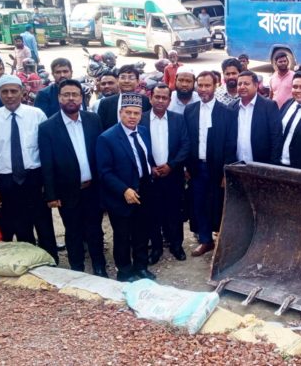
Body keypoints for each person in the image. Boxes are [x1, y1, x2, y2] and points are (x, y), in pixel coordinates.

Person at [0, 75, 58, 263]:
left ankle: (51, 261)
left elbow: (48, 150)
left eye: (14, 91)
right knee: (21, 226)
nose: (9, 95)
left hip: (35, 178)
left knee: (44, 223)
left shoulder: (36, 114)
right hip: (8, 181)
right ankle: (30, 264)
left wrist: (50, 183)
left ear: (22, 92)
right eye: (5, 92)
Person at [39, 79, 106, 277]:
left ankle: (99, 267)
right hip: (67, 190)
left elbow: (101, 153)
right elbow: (47, 163)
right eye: (66, 94)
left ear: (81, 97)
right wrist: (51, 194)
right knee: (73, 230)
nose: (71, 98)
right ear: (59, 98)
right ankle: (77, 270)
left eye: (75, 94)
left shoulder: (93, 120)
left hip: (92, 188)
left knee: (95, 229)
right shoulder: (48, 127)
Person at [96, 93, 156, 282]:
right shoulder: (107, 138)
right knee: (122, 235)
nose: (132, 117)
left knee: (142, 231)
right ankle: (124, 271)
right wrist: (124, 190)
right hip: (121, 194)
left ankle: (141, 267)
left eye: (136, 113)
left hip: (144, 189)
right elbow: (104, 172)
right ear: (120, 113)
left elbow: (145, 158)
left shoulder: (143, 131)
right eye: (128, 112)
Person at [184, 71, 237, 257]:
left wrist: (226, 171)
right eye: (200, 85)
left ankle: (222, 242)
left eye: (208, 85)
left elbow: (230, 143)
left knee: (219, 205)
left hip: (218, 168)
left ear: (215, 86)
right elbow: (187, 140)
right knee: (199, 204)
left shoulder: (227, 112)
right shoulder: (190, 110)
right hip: (196, 167)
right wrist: (186, 166)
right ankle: (206, 240)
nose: (203, 89)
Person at [140, 84, 190, 263]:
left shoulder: (178, 119)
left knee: (174, 212)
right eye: (157, 97)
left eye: (164, 98)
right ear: (150, 98)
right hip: (150, 176)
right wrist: (150, 167)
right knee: (153, 213)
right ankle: (156, 248)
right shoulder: (141, 119)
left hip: (173, 175)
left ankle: (177, 245)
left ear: (169, 100)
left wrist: (171, 165)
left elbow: (185, 145)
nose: (160, 101)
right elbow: (136, 148)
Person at [230, 71, 283, 165]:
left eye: (246, 84)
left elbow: (276, 138)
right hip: (236, 165)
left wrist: (272, 166)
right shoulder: (232, 107)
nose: (242, 87)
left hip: (261, 166)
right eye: (239, 84)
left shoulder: (269, 106)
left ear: (256, 85)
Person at [97, 64, 151, 129]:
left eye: (131, 78)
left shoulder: (145, 101)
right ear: (117, 80)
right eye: (123, 77)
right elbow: (100, 127)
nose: (126, 81)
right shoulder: (105, 103)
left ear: (138, 81)